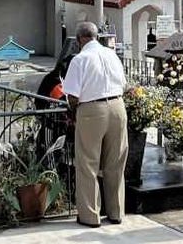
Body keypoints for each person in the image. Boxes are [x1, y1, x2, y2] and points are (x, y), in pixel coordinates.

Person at [62, 21, 127, 228]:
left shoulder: (80, 59)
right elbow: (124, 83)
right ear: (96, 36)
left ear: (80, 39)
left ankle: (90, 215)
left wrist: (73, 113)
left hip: (92, 109)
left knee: (88, 164)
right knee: (115, 162)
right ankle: (116, 212)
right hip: (117, 106)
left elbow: (72, 95)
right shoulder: (112, 55)